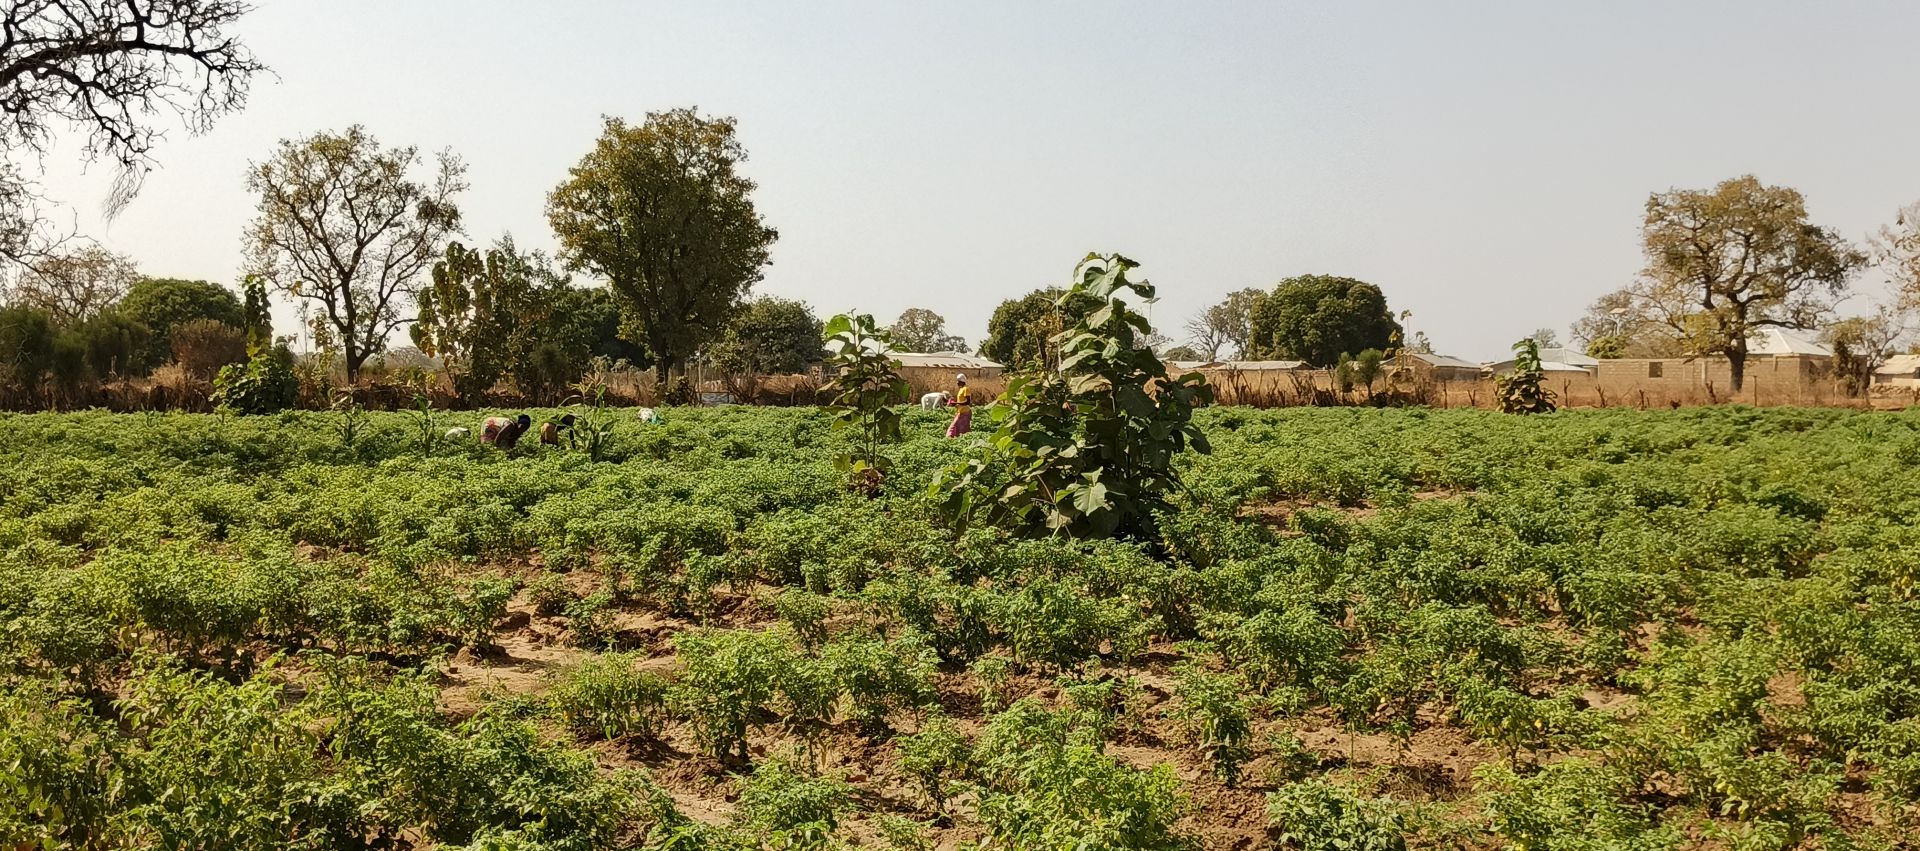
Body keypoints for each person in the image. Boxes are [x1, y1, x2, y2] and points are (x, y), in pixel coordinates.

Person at [946, 374, 973, 438]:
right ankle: (956, 440)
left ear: (962, 381)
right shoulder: (961, 389)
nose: (957, 383)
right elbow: (960, 402)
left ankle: (950, 439)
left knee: (954, 428)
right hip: (960, 412)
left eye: (958, 381)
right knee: (960, 429)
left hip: (965, 412)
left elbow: (968, 402)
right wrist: (954, 403)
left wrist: (956, 403)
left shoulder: (966, 389)